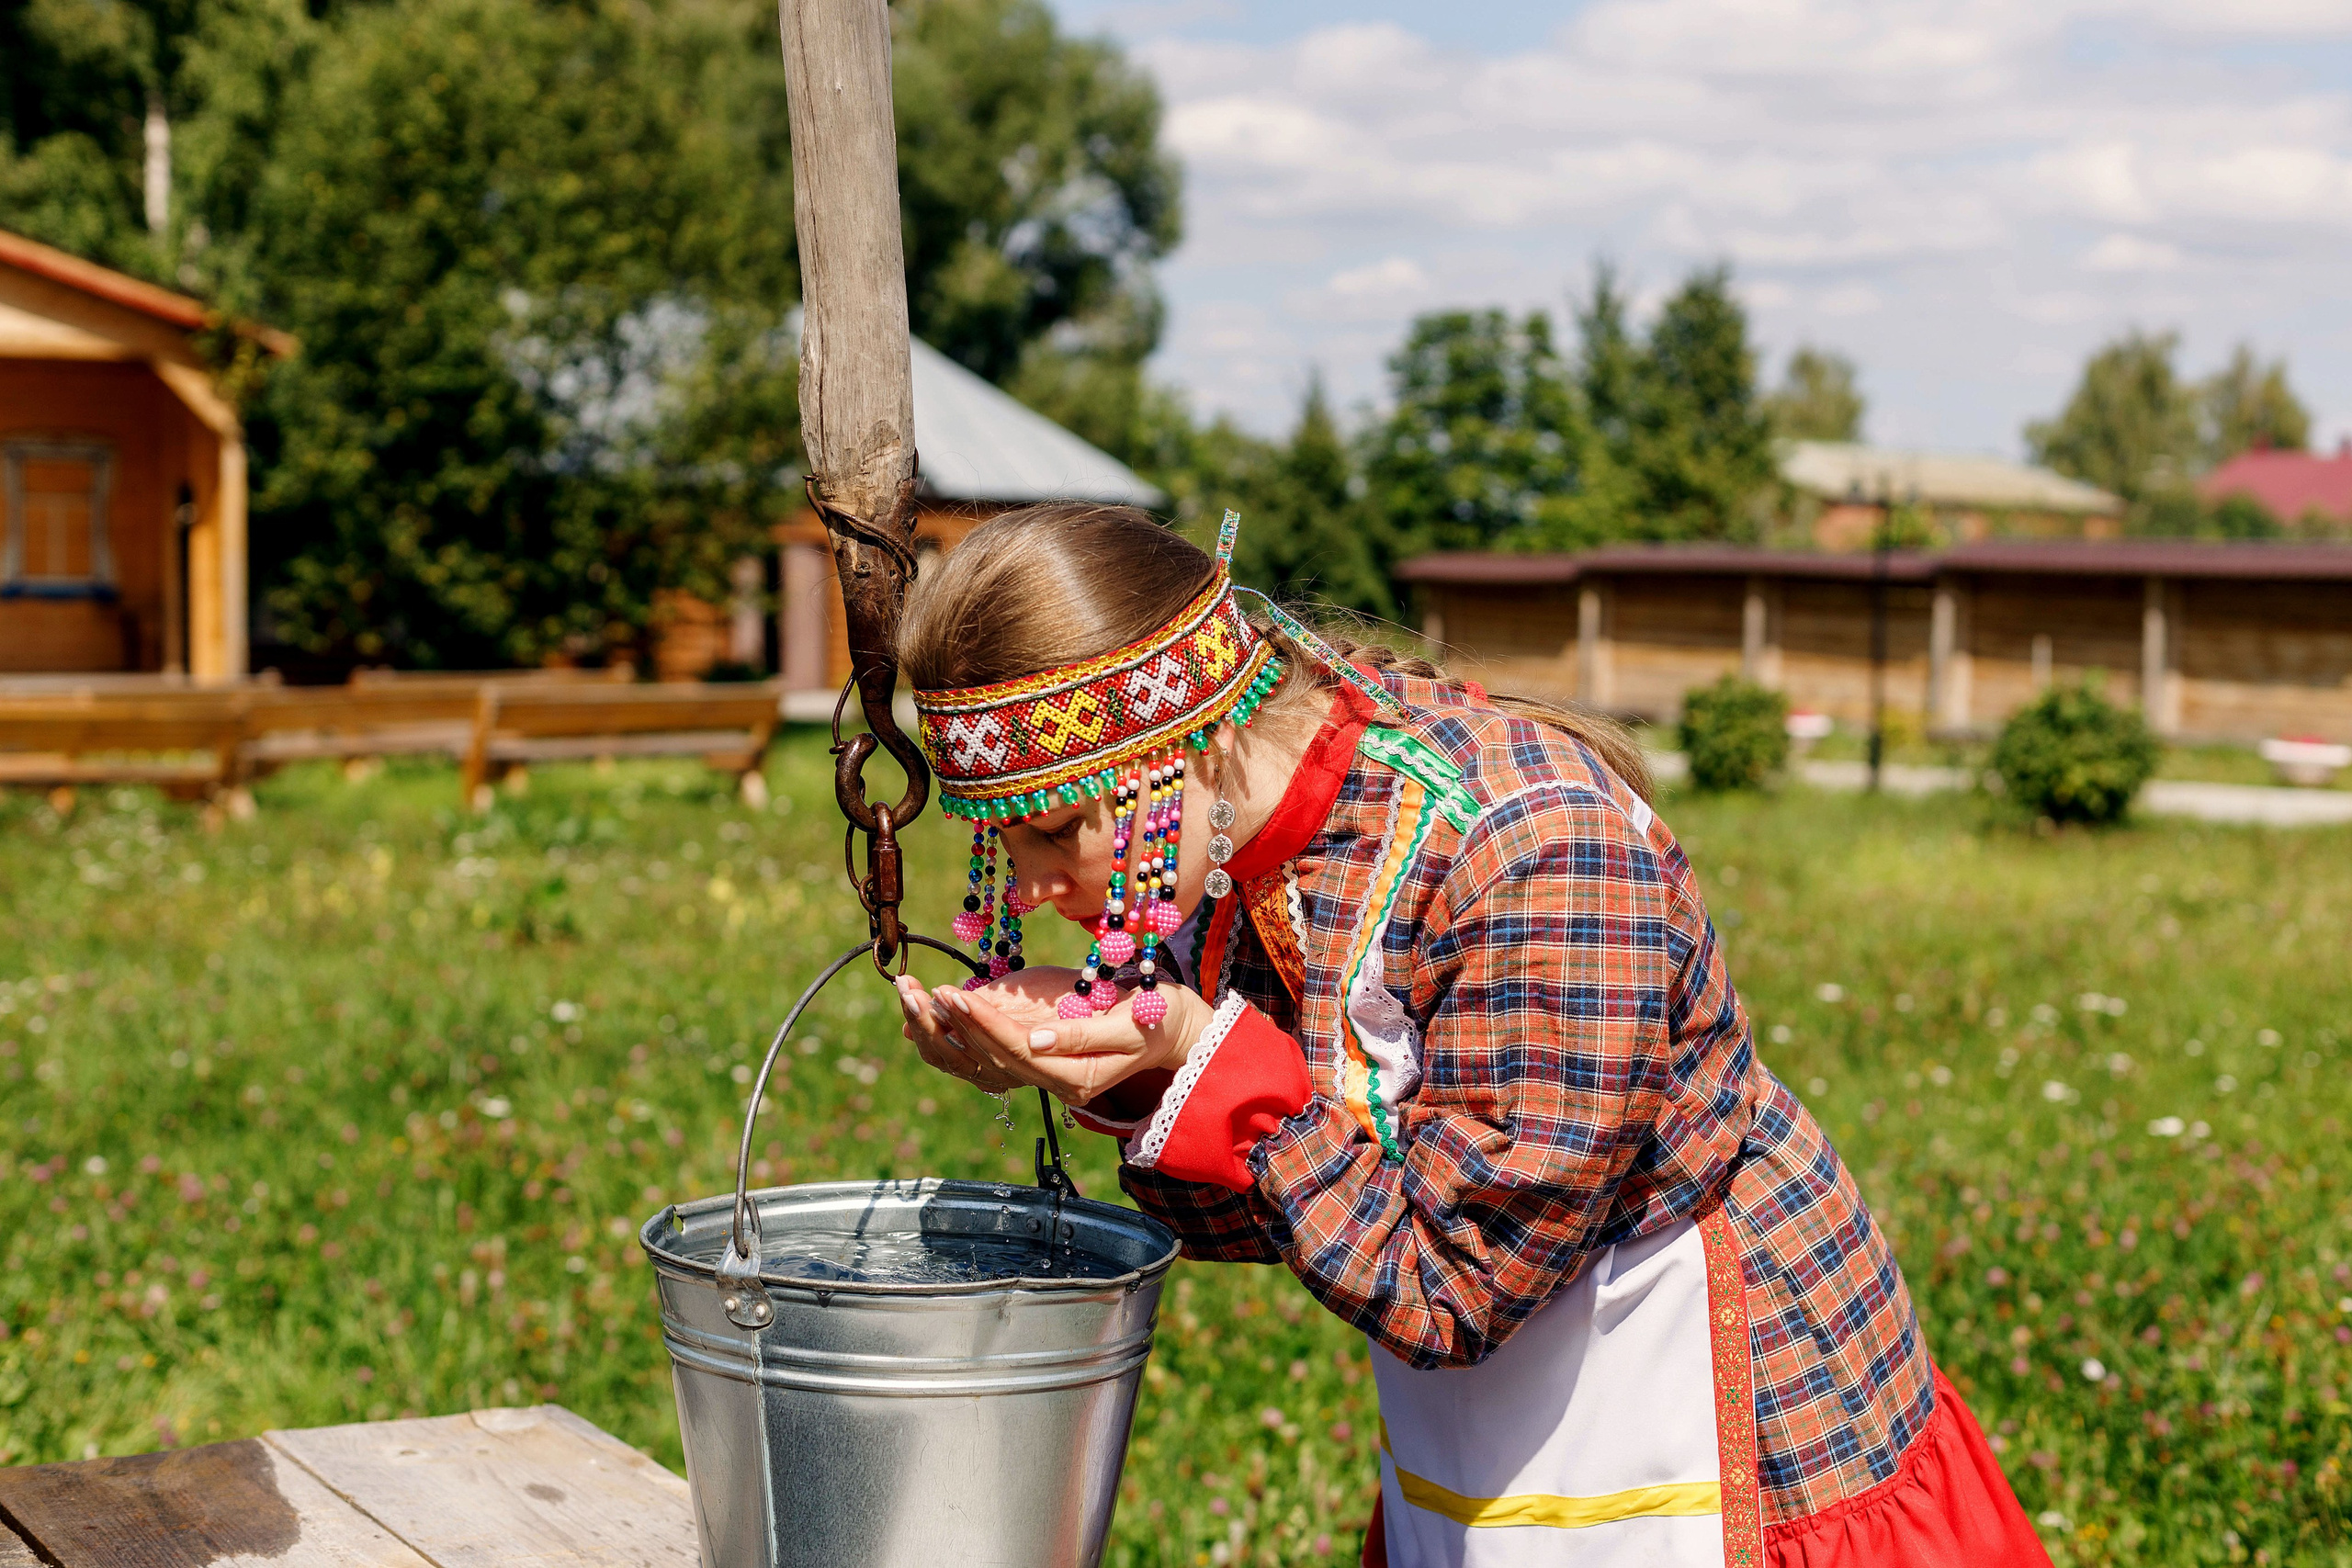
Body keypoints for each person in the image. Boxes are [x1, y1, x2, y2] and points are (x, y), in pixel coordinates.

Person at [893, 502, 2049, 1568]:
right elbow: (1287, 1213)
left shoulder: (1535, 851)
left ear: (1188, 742)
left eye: (1055, 827)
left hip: (1712, 1409)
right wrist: (1141, 1065)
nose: (1029, 887)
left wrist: (1207, 1059)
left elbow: (1455, 1287)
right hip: (1488, 1422)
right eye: (1002, 842)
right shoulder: (1245, 847)